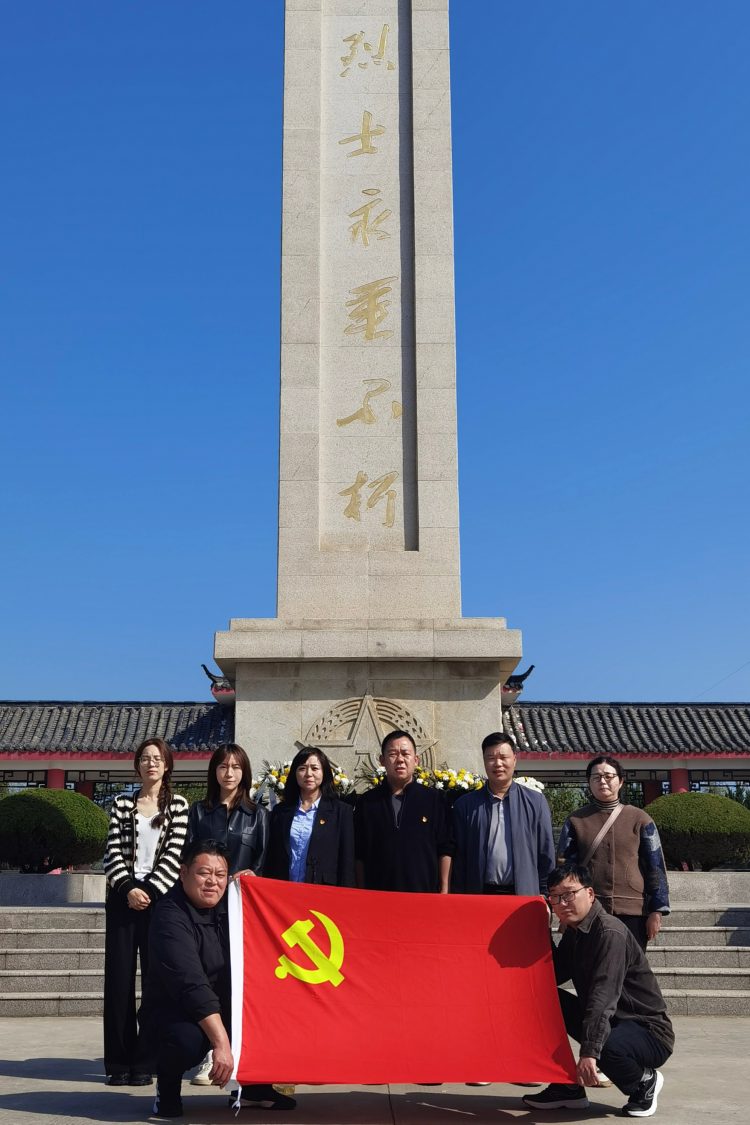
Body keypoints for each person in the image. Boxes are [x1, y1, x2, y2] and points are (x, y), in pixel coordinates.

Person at [142, 839, 295, 1119]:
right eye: (204, 873)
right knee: (185, 1040)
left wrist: (253, 889)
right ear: (183, 873)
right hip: (176, 1010)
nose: (213, 882)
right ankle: (167, 1088)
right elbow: (191, 984)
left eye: (220, 874)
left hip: (224, 1001)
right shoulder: (168, 916)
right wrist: (221, 1043)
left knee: (271, 1014)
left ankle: (253, 1089)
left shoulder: (230, 904)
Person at [522, 862, 674, 1117]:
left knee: (604, 1045)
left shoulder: (610, 933)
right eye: (555, 897)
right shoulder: (576, 932)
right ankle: (567, 1086)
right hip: (613, 1023)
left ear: (590, 894)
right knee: (542, 1001)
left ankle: (644, 1081)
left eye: (569, 894)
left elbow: (603, 998)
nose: (562, 903)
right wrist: (542, 930)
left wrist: (589, 1053)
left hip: (647, 1031)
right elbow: (554, 975)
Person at [102, 737, 189, 1085]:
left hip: (160, 900)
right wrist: (128, 889)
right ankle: (118, 1062)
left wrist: (148, 891)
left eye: (157, 758)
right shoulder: (122, 804)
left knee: (156, 981)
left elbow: (174, 855)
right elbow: (112, 852)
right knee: (119, 981)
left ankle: (146, 1061)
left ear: (167, 765)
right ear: (137, 765)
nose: (151, 763)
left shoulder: (178, 806)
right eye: (145, 758)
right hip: (122, 899)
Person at [186, 742, 268, 1085]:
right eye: (223, 766)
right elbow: (188, 859)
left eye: (235, 767)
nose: (229, 773)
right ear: (214, 772)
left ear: (244, 772)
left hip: (243, 913)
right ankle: (209, 1051)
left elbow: (265, 861)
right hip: (206, 910)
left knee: (238, 980)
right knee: (209, 977)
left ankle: (240, 1049)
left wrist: (254, 875)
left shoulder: (258, 814)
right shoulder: (199, 812)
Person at [557, 756, 670, 949]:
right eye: (596, 777)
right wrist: (565, 909)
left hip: (632, 910)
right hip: (589, 909)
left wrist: (656, 911)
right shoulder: (576, 821)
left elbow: (655, 867)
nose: (602, 781)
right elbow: (565, 868)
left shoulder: (640, 819)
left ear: (621, 781)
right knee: (589, 963)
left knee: (629, 965)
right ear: (589, 782)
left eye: (608, 776)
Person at [451, 731, 555, 895]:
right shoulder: (465, 806)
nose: (497, 763)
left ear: (514, 759)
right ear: (484, 761)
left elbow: (546, 854)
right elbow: (459, 859)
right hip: (479, 894)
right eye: (491, 758)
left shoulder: (536, 802)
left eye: (503, 757)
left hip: (523, 895)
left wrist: (546, 894)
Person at [353, 730, 455, 893]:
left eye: (405, 754)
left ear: (416, 760)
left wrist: (444, 890)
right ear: (382, 761)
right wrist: (361, 892)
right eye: (393, 754)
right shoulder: (367, 802)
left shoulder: (434, 799)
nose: (400, 759)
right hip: (377, 896)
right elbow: (359, 854)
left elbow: (445, 848)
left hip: (423, 896)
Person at [264, 746, 355, 886]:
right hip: (283, 890)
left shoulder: (341, 812)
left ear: (324, 772)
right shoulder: (280, 811)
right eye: (302, 768)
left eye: (315, 768)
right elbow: (271, 857)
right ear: (294, 773)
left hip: (322, 891)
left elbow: (347, 863)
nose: (308, 774)